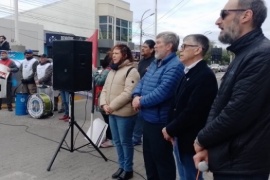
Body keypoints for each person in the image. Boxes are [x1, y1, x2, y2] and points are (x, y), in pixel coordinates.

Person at [193, 0, 270, 179]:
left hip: (242, 167)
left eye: (223, 14)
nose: (218, 21)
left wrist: (201, 139)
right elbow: (220, 103)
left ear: (246, 15)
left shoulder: (262, 54)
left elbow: (236, 113)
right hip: (229, 159)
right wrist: (207, 145)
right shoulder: (245, 52)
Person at [162, 34, 218, 180]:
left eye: (185, 46)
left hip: (191, 140)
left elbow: (193, 112)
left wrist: (171, 128)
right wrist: (170, 128)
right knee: (183, 175)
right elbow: (175, 103)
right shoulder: (187, 72)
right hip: (179, 136)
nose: (181, 49)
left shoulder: (205, 76)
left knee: (191, 176)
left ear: (197, 50)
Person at [132, 31, 184, 180]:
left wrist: (140, 101)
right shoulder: (156, 62)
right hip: (147, 119)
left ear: (169, 46)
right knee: (149, 159)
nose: (155, 47)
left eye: (158, 44)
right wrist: (135, 96)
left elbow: (162, 92)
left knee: (162, 161)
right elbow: (142, 82)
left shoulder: (175, 66)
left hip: (160, 122)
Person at [99, 44, 140, 180]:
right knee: (116, 141)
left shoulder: (131, 71)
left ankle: (128, 169)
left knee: (125, 142)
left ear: (125, 55)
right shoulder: (112, 70)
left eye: (117, 53)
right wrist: (104, 104)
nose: (113, 55)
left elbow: (129, 93)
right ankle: (121, 166)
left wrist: (111, 106)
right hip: (111, 112)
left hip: (124, 114)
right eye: (113, 53)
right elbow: (104, 89)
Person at [132, 39, 156, 146]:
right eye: (142, 46)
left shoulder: (154, 62)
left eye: (145, 47)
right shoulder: (141, 61)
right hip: (139, 91)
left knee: (141, 117)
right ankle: (137, 137)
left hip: (147, 93)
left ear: (152, 50)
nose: (142, 48)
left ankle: (136, 138)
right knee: (137, 116)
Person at [93, 53, 112, 148]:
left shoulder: (107, 70)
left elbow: (99, 81)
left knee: (107, 119)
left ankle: (110, 138)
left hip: (104, 97)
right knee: (107, 119)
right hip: (104, 96)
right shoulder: (109, 70)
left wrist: (95, 72)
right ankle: (109, 137)